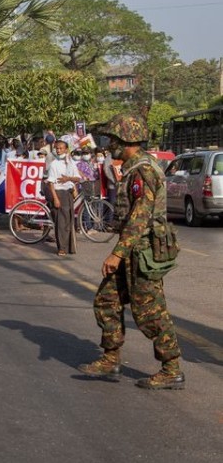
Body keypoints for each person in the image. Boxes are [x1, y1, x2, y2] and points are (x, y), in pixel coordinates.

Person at [78, 114, 184, 390]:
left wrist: (117, 254)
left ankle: (171, 368)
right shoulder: (133, 166)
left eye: (113, 139)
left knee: (150, 312)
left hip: (143, 252)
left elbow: (140, 216)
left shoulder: (143, 170)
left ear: (125, 140)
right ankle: (110, 359)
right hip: (132, 250)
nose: (109, 143)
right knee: (106, 301)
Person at [46, 138, 81, 256]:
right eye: (57, 148)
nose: (59, 150)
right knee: (60, 222)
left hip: (68, 193)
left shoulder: (71, 163)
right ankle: (61, 247)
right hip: (58, 193)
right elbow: (51, 183)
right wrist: (55, 198)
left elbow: (77, 178)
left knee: (69, 221)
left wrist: (68, 179)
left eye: (61, 148)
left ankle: (69, 246)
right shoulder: (54, 164)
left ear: (66, 150)